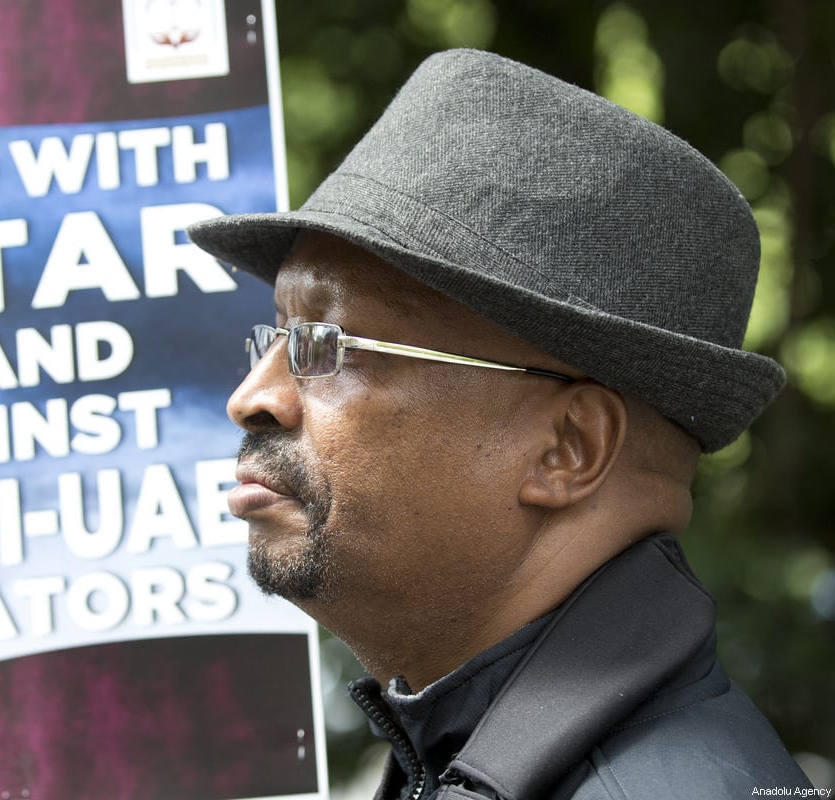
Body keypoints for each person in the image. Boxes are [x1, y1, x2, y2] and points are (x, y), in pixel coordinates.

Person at [187, 49, 816, 799]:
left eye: (327, 344)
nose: (253, 397)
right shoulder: (473, 751)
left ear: (567, 449)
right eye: (278, 336)